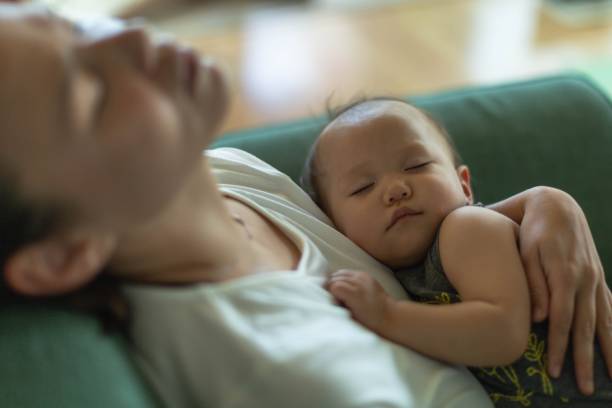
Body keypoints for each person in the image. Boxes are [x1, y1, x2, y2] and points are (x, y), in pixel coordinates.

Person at [0, 2, 610, 407]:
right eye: (88, 92)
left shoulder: (226, 173)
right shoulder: (274, 370)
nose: (131, 35)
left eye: (76, 28)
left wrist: (537, 206)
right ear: (64, 255)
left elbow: (404, 236)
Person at [300, 97, 612, 406]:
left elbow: (503, 332)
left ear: (464, 186)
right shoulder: (404, 276)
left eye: (416, 166)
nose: (396, 189)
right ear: (335, 228)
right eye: (363, 187)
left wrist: (388, 315)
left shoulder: (465, 228)